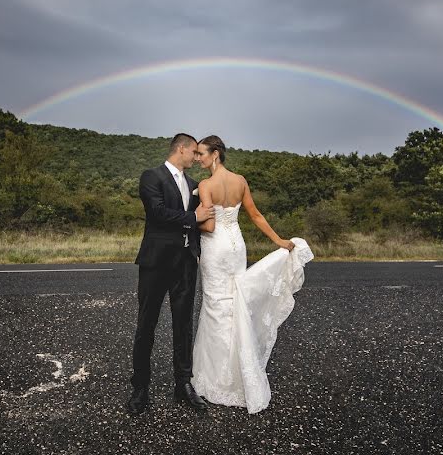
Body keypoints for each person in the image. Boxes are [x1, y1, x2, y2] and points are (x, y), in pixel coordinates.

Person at [191, 135, 314, 414]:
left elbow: (209, 227)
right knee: (235, 305)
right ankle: (240, 373)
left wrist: (191, 219)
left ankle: (218, 378)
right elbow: (256, 215)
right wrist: (280, 241)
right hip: (237, 248)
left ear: (216, 154)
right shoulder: (241, 181)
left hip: (216, 249)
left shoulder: (206, 185)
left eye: (201, 153)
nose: (198, 158)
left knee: (216, 307)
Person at [126, 133, 216, 415]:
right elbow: (157, 213)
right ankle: (140, 387)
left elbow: (199, 224)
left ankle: (183, 385)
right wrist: (193, 218)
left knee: (183, 326)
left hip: (185, 264)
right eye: (194, 153)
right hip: (156, 263)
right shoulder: (151, 176)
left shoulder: (193, 185)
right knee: (146, 325)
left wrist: (198, 251)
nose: (196, 158)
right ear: (181, 149)